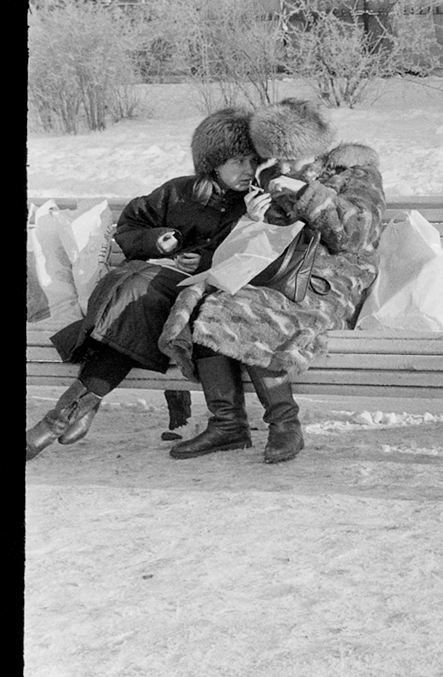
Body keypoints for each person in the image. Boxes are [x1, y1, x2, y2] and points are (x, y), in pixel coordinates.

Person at [161, 98, 386, 464]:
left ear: (314, 148)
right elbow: (268, 237)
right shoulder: (271, 176)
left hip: (329, 282)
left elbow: (357, 233)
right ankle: (227, 424)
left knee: (250, 310)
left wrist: (303, 193)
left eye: (290, 157)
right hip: (274, 272)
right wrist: (255, 217)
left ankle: (284, 424)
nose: (282, 166)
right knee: (204, 301)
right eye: (275, 157)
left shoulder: (354, 172)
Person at [27, 108, 259, 461]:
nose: (248, 170)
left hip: (205, 296)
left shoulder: (255, 203)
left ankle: (63, 416)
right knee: (129, 291)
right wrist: (158, 241)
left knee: (135, 291)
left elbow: (254, 255)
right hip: (154, 293)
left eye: (253, 161)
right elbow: (130, 226)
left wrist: (209, 257)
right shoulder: (178, 192)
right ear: (213, 162)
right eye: (238, 161)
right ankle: (72, 412)